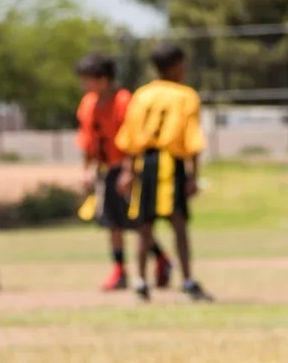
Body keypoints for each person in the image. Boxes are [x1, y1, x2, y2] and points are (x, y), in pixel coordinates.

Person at [114, 42, 213, 303]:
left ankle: (141, 282)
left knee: (145, 226)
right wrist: (193, 175)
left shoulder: (142, 95)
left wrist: (127, 170)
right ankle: (188, 281)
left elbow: (129, 137)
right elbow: (192, 140)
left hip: (144, 163)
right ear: (177, 65)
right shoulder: (186, 96)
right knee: (178, 223)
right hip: (171, 164)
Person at [75, 53, 172, 292]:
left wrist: (129, 171)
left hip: (126, 168)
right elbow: (87, 140)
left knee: (137, 222)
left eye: (91, 79)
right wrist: (86, 171)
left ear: (105, 79)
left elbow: (132, 139)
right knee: (111, 223)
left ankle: (161, 259)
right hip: (106, 169)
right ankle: (119, 270)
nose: (86, 85)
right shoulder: (88, 104)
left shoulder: (124, 101)